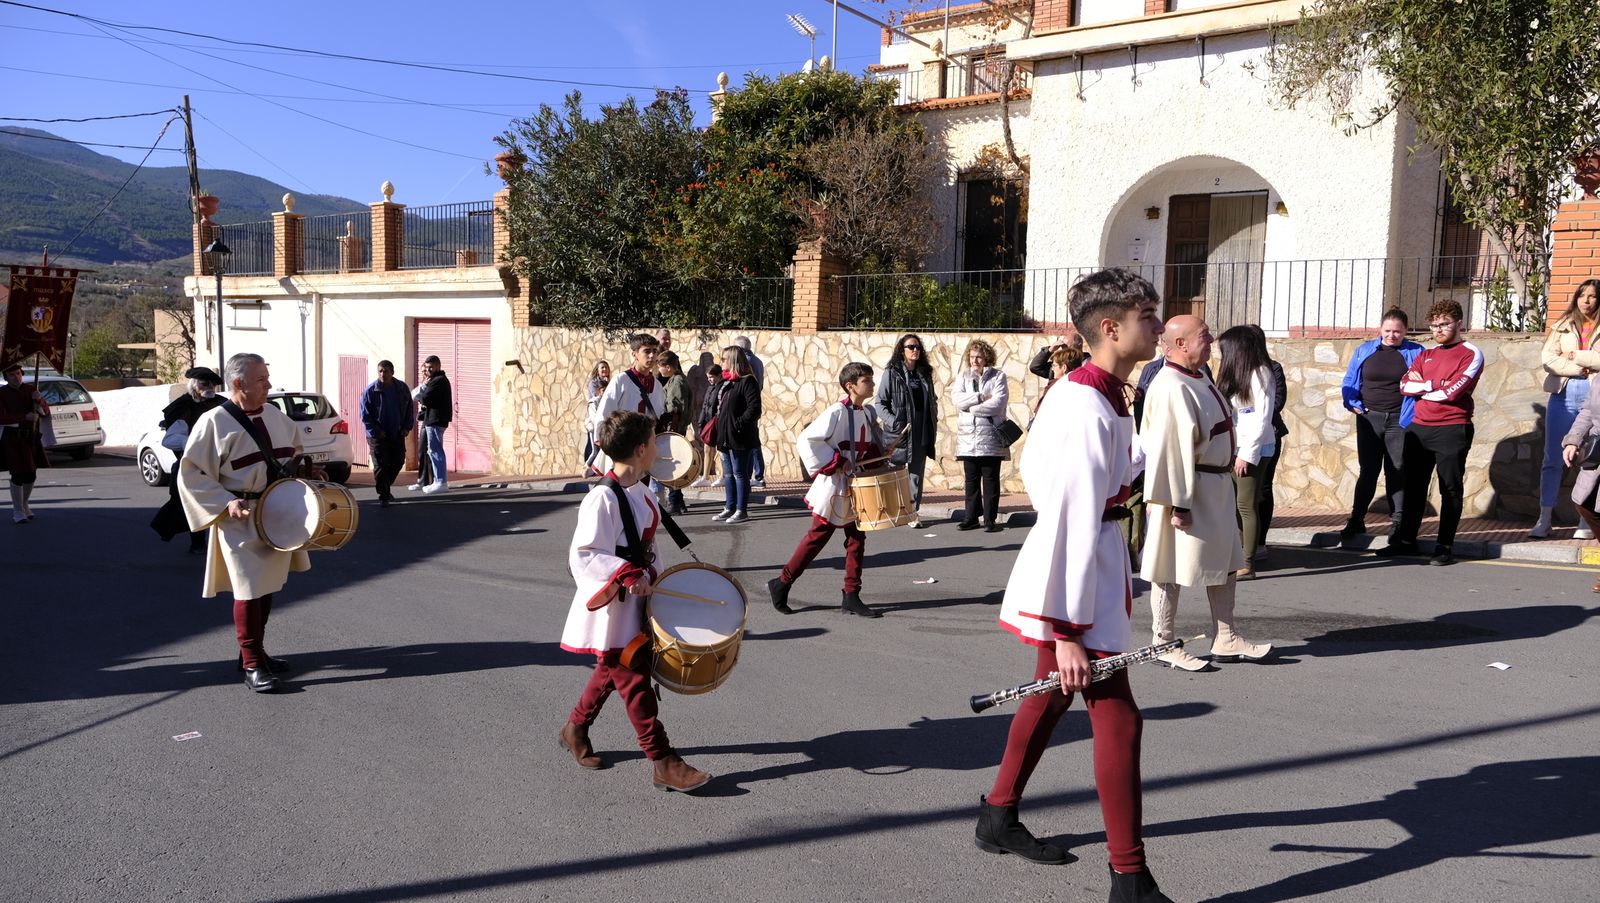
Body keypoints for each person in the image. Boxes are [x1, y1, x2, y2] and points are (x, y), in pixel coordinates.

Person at [981, 268, 1176, 903]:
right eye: (1148, 316)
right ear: (1112, 328)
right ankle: (1130, 878)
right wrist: (1064, 632)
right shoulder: (1084, 403)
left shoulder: (1107, 393)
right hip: (1077, 574)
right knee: (1117, 717)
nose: (1158, 326)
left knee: (1047, 699)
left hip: (1093, 563)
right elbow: (1066, 514)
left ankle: (998, 813)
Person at [558, 410, 711, 793]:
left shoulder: (641, 491)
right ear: (642, 449)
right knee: (633, 679)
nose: (660, 446)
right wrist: (626, 574)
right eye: (655, 439)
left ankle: (575, 729)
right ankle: (663, 761)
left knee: (612, 669)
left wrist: (655, 579)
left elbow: (647, 547)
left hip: (638, 600)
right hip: (614, 605)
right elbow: (586, 553)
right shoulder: (601, 499)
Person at [178, 352, 320, 693]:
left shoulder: (275, 415)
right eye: (261, 380)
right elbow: (191, 473)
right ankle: (252, 664)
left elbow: (294, 454)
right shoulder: (213, 422)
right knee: (247, 589)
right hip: (238, 518)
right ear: (238, 383)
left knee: (266, 585)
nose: (269, 386)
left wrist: (307, 471)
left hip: (275, 515)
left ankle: (254, 653)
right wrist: (226, 502)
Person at [1141, 315, 1273, 671]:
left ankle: (1226, 637)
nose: (1212, 338)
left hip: (1213, 486)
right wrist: (1179, 504)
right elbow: (1172, 450)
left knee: (1228, 564)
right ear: (1181, 343)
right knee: (1169, 566)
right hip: (1187, 490)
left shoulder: (1198, 377)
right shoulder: (1171, 385)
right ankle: (1162, 641)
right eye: (1204, 335)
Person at [767, 362, 886, 619]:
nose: (872, 384)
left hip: (855, 484)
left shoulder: (866, 412)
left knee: (857, 539)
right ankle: (782, 583)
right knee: (817, 537)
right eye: (867, 380)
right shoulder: (836, 412)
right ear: (850, 385)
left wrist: (880, 455)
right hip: (834, 484)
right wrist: (836, 462)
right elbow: (807, 439)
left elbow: (867, 449)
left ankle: (851, 595)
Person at [1375, 300, 1484, 566]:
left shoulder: (1471, 353)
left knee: (1450, 488)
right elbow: (1405, 386)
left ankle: (1444, 546)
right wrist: (1434, 384)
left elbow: (1454, 392)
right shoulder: (1426, 354)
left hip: (1452, 427)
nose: (1438, 329)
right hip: (1419, 426)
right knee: (1413, 488)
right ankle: (1406, 541)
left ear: (1459, 323)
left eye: (1445, 324)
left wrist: (1425, 388)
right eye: (1434, 325)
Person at [1339, 309, 1425, 544]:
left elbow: (1425, 382)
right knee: (1368, 470)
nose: (1392, 335)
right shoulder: (1365, 350)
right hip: (1369, 417)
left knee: (1397, 469)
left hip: (1400, 419)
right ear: (1380, 330)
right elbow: (1350, 379)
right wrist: (1351, 402)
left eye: (1397, 331)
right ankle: (1356, 519)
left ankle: (1398, 521)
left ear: (1406, 331)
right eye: (1387, 331)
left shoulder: (1417, 352)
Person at [1535, 280, 1600, 538]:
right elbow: (1548, 360)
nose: (1586, 301)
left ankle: (1584, 520)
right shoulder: (1562, 324)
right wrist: (1580, 368)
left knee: (1590, 459)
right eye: (1582, 295)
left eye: (1593, 296)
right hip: (1562, 394)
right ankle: (1544, 517)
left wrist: (1578, 356)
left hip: (1593, 393)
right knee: (1552, 459)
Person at [1214, 326, 1278, 579]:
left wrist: (1247, 454)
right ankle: (1239, 556)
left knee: (1245, 505)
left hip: (1255, 447)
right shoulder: (1242, 373)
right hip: (1239, 445)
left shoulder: (1261, 373)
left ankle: (1247, 563)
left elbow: (1261, 418)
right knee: (1236, 505)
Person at [150, 367, 225, 548]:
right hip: (193, 465)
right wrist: (195, 443)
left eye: (213, 384)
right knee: (192, 506)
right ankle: (198, 543)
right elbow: (171, 439)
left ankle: (222, 542)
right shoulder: (183, 406)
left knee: (224, 503)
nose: (210, 387)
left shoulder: (222, 404)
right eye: (204, 383)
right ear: (194, 385)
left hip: (221, 463)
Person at [877, 333, 938, 529]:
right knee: (895, 472)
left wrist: (932, 417)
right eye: (911, 347)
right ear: (902, 351)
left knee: (915, 474)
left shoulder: (924, 373)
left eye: (918, 347)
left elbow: (931, 400)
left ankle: (912, 513)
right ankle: (893, 510)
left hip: (921, 429)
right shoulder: (892, 372)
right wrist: (893, 422)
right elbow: (880, 403)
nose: (915, 350)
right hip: (900, 431)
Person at [952, 339, 1011, 533]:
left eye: (978, 356)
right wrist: (978, 398)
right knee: (971, 480)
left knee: (990, 478)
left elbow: (998, 403)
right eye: (971, 357)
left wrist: (972, 408)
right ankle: (971, 517)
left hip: (991, 436)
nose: (975, 360)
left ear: (986, 357)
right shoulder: (963, 376)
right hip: (968, 437)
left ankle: (989, 519)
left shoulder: (998, 376)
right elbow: (957, 400)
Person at [1247, 324, 1288, 556]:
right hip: (1240, 438)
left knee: (1263, 488)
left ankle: (1260, 542)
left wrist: (1253, 410)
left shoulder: (1273, 368)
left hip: (1269, 434)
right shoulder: (1234, 368)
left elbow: (1278, 401)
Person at [712, 346, 761, 525]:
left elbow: (754, 409)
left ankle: (742, 510)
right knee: (728, 474)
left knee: (740, 474)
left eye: (724, 359)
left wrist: (737, 424)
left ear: (733, 360)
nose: (721, 362)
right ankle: (729, 507)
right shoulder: (727, 382)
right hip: (725, 436)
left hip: (740, 437)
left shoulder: (747, 381)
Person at [1559, 376, 1600, 591]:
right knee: (1583, 503)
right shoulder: (1599, 379)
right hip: (1597, 450)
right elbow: (1586, 411)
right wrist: (1573, 440)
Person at [359, 360, 415, 508]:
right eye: (380, 371)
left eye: (386, 371)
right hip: (377, 436)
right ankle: (384, 495)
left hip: (396, 432)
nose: (383, 374)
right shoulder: (370, 391)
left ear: (392, 372)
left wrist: (407, 427)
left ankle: (385, 485)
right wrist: (377, 431)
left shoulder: (401, 388)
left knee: (398, 460)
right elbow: (365, 416)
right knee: (381, 465)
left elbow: (410, 409)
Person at [0, 361, 49, 524]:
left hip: (30, 437)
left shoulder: (30, 390)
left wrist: (39, 400)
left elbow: (45, 411)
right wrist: (23, 417)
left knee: (31, 473)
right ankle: (18, 510)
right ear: (6, 377)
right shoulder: (2, 393)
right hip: (12, 438)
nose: (16, 377)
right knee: (17, 474)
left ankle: (25, 503)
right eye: (12, 375)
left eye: (19, 374)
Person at [657, 351, 692, 515]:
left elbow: (674, 408)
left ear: (668, 367)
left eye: (660, 366)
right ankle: (679, 500)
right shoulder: (675, 379)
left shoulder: (676, 382)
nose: (659, 369)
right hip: (676, 429)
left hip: (674, 430)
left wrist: (669, 428)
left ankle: (674, 502)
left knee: (672, 466)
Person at [415, 355, 453, 494]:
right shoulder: (436, 380)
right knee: (432, 450)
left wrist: (423, 394)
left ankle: (441, 481)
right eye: (427, 367)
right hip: (433, 420)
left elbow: (425, 398)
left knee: (436, 451)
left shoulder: (439, 381)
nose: (429, 369)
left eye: (432, 367)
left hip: (436, 420)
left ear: (438, 366)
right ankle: (437, 480)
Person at [734, 336, 767, 487]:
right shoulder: (758, 361)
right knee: (753, 440)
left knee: (752, 442)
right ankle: (756, 475)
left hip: (747, 404)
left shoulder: (746, 362)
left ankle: (756, 476)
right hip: (754, 401)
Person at [689, 364, 724, 489]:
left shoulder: (723, 388)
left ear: (719, 375)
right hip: (709, 423)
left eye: (712, 377)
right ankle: (705, 477)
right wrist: (701, 422)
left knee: (720, 451)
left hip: (718, 423)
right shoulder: (711, 388)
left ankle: (722, 476)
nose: (710, 380)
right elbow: (705, 406)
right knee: (707, 449)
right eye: (708, 377)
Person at [583, 360, 611, 467]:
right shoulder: (594, 383)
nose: (604, 369)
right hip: (595, 418)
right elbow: (597, 398)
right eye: (602, 367)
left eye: (606, 367)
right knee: (593, 447)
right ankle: (587, 466)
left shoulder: (609, 381)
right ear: (597, 370)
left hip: (604, 419)